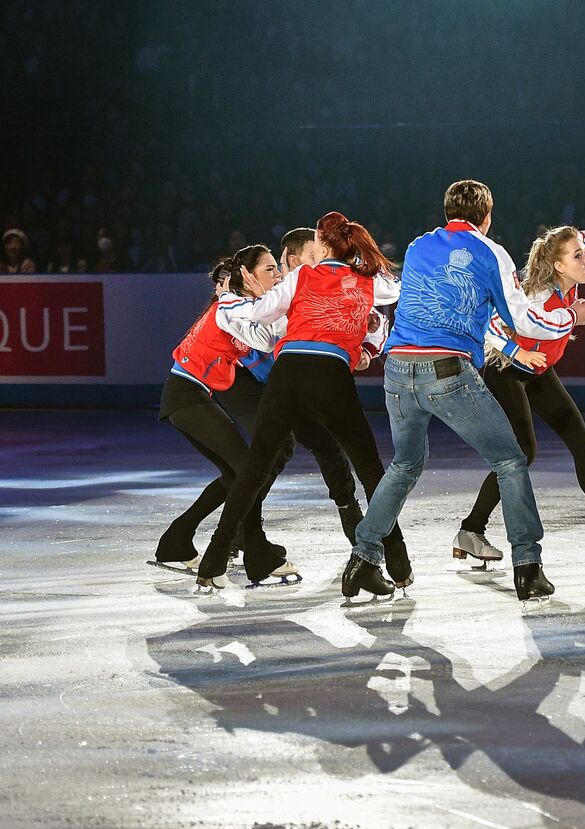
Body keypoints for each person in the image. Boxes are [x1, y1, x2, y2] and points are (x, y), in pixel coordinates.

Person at [347, 179, 554, 604]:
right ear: (487, 217)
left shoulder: (419, 245)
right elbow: (521, 319)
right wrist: (566, 320)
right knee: (510, 460)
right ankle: (527, 568)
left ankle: (363, 558)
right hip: (446, 371)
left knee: (404, 465)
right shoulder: (491, 251)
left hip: (398, 369)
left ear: (447, 213)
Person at [192, 212, 409, 594]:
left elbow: (259, 313)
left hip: (288, 373)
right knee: (371, 469)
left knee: (255, 466)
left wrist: (236, 293)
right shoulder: (369, 281)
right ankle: (398, 561)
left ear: (321, 247)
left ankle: (213, 559)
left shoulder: (299, 277)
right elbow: (398, 290)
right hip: (330, 376)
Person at [454, 226, 585, 565]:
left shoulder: (570, 281)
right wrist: (518, 353)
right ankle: (471, 530)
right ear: (559, 266)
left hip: (538, 371)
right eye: (579, 257)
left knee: (580, 440)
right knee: (523, 453)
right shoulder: (536, 295)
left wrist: (580, 242)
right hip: (506, 370)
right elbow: (488, 325)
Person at [153, 252, 298, 584]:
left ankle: (177, 538)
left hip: (193, 396)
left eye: (278, 268)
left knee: (238, 476)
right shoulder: (228, 308)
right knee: (250, 471)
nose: (277, 274)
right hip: (186, 395)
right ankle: (256, 552)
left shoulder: (243, 313)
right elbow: (264, 331)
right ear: (248, 276)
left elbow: (265, 339)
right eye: (270, 269)